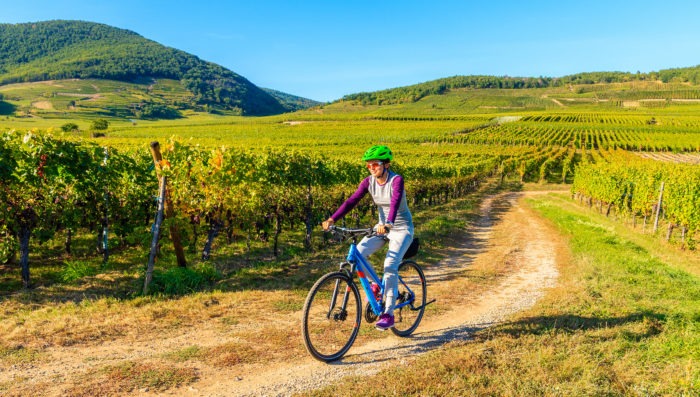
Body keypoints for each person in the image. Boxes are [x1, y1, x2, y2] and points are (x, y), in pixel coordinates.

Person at [322, 145, 414, 330]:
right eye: (369, 166)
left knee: (389, 265)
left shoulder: (396, 180)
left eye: (375, 165)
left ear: (386, 164)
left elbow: (395, 202)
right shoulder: (368, 182)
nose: (372, 168)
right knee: (358, 254)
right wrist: (332, 218)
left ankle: (388, 313)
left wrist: (388, 222)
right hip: (381, 228)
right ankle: (376, 285)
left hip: (400, 228)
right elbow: (352, 200)